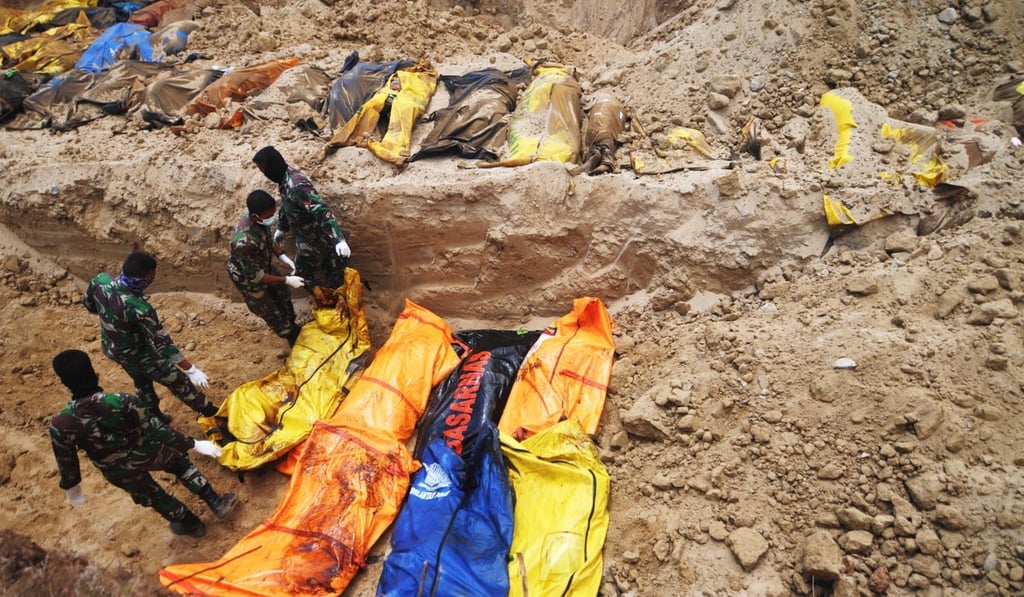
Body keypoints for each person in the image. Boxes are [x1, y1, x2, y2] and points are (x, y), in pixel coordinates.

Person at [49, 349, 238, 538]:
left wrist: (71, 486)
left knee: (152, 495)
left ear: (64, 382)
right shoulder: (123, 401)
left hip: (117, 468)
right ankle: (215, 501)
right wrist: (194, 444)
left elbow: (66, 460)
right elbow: (159, 430)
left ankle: (190, 523)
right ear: (92, 371)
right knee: (179, 463)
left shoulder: (61, 424)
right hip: (149, 451)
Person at [83, 251, 217, 422]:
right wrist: (191, 370)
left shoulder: (100, 281)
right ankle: (211, 413)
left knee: (142, 381)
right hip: (138, 354)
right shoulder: (139, 308)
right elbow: (164, 345)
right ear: (141, 279)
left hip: (111, 348)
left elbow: (89, 305)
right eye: (150, 277)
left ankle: (152, 416)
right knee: (178, 381)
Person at [252, 145, 351, 289]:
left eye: (264, 170)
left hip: (322, 239)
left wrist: (339, 239)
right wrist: (282, 227)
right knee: (302, 274)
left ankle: (338, 306)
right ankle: (324, 300)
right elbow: (288, 204)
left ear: (272, 166)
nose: (265, 174)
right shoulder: (283, 180)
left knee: (336, 277)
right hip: (306, 241)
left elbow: (321, 210)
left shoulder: (297, 185)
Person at [227, 190, 306, 345]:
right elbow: (256, 276)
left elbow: (267, 240)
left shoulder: (257, 220)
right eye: (269, 216)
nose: (271, 218)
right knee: (270, 312)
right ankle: (290, 334)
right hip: (250, 280)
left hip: (262, 265)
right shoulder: (243, 243)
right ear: (256, 216)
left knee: (283, 296)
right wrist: (287, 279)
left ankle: (291, 324)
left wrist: (282, 255)